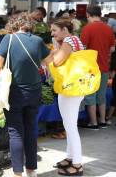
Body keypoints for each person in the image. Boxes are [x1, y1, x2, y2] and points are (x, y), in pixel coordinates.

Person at [0, 12, 50, 177]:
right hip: (34, 91)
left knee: (15, 132)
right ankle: (31, 170)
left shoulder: (8, 39)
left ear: (14, 25)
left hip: (14, 92)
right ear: (29, 25)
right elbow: (49, 62)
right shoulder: (38, 41)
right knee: (31, 129)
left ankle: (18, 173)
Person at [49, 18, 85, 176]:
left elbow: (56, 61)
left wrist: (52, 52)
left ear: (64, 29)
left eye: (54, 30)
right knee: (69, 124)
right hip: (75, 86)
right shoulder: (75, 39)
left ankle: (77, 164)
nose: (52, 33)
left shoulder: (69, 40)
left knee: (70, 126)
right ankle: (70, 157)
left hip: (70, 88)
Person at [81, 5, 115, 130]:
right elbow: (112, 48)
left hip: (91, 68)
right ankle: (102, 121)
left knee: (90, 95)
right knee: (101, 95)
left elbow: (82, 48)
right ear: (100, 14)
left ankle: (93, 123)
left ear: (87, 14)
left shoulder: (87, 28)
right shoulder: (108, 29)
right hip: (104, 67)